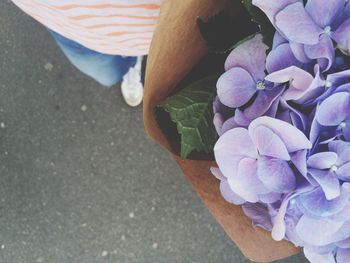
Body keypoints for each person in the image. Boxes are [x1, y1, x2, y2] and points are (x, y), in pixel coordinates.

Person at [11, 0, 161, 107]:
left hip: (148, 32)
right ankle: (129, 66)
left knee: (135, 52)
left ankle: (133, 61)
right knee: (108, 75)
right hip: (68, 23)